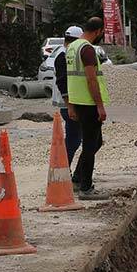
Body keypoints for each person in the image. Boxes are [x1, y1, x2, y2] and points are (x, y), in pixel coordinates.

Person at [65, 18, 109, 200]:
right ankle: (86, 188)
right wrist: (100, 106)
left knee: (96, 142)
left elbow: (71, 78)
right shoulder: (87, 49)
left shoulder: (72, 47)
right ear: (98, 31)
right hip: (89, 103)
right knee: (90, 145)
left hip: (78, 101)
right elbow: (91, 79)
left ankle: (77, 178)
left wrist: (71, 105)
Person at [54, 25, 84, 181]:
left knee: (75, 138)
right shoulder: (64, 56)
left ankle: (65, 171)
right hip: (68, 104)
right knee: (73, 139)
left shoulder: (64, 53)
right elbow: (63, 82)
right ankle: (63, 171)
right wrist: (70, 105)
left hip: (69, 103)